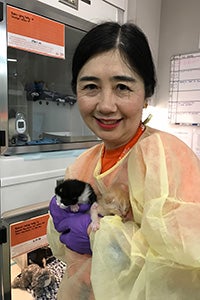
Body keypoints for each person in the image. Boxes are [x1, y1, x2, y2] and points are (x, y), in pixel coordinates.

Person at [47, 21, 200, 300]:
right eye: (91, 86)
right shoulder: (82, 165)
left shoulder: (165, 157)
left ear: (146, 94)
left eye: (122, 87)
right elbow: (63, 252)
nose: (106, 105)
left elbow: (184, 265)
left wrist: (99, 237)